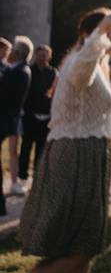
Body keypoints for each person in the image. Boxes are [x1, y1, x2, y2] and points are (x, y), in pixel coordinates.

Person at [3, 8, 111, 273]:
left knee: (80, 246)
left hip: (87, 155)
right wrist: (99, 35)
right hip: (76, 157)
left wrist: (102, 37)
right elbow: (83, 69)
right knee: (80, 248)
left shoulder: (98, 63)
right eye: (109, 32)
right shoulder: (82, 61)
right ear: (89, 35)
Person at [19, 44, 57, 186]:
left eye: (45, 54)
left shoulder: (53, 72)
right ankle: (22, 176)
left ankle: (38, 177)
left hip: (46, 117)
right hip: (29, 116)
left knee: (41, 150)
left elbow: (54, 94)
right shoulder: (29, 70)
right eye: (40, 54)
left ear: (49, 56)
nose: (43, 57)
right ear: (35, 55)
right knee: (26, 147)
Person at [0, 36, 33, 199]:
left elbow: (5, 95)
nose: (10, 51)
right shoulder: (16, 69)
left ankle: (14, 183)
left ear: (18, 53)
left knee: (13, 152)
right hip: (10, 117)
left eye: (13, 49)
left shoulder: (20, 71)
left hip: (8, 118)